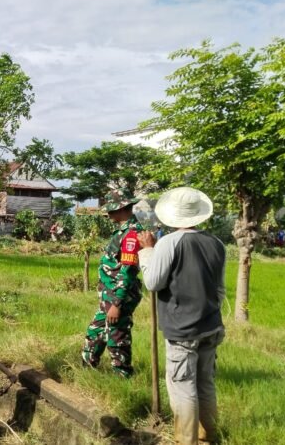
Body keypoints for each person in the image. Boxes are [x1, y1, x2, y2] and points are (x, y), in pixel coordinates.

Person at [137, 187, 225, 445]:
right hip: (211, 325)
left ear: (172, 215)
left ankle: (186, 441)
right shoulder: (217, 244)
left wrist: (148, 250)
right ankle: (208, 436)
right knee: (205, 382)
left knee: (183, 385)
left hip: (182, 329)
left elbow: (153, 282)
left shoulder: (169, 243)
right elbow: (220, 289)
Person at [81, 189, 144, 378]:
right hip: (109, 294)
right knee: (95, 331)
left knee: (117, 337)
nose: (108, 213)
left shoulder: (132, 234)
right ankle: (86, 371)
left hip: (119, 295)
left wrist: (117, 304)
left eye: (111, 209)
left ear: (121, 208)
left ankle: (122, 376)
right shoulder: (122, 231)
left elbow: (128, 271)